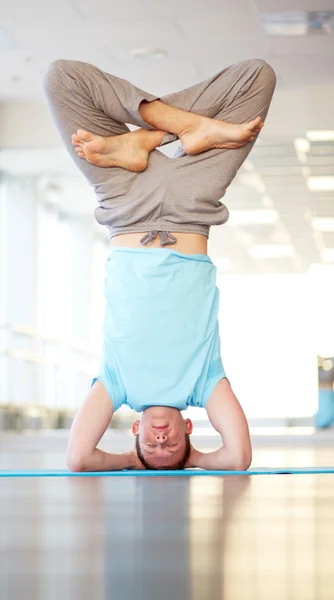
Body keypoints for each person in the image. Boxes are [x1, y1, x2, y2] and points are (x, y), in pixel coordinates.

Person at [43, 56, 276, 471]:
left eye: (153, 449)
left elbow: (78, 459)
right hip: (192, 205)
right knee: (257, 77)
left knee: (62, 78)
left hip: (124, 199)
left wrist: (133, 463)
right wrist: (198, 460)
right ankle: (179, 128)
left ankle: (154, 134)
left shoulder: (117, 385)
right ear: (188, 428)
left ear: (136, 433)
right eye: (173, 448)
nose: (161, 441)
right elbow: (238, 457)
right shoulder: (204, 384)